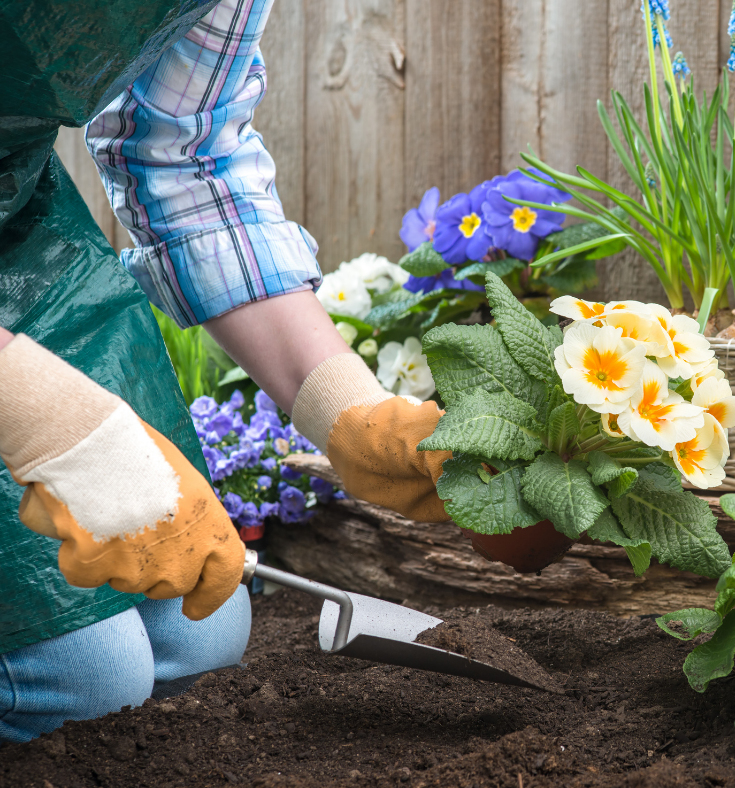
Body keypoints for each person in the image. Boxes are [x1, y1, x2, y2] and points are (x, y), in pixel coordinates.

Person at [0, 0, 448, 743]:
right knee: (81, 678)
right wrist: (45, 416)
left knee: (199, 635)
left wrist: (346, 410)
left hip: (19, 238)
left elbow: (183, 151)